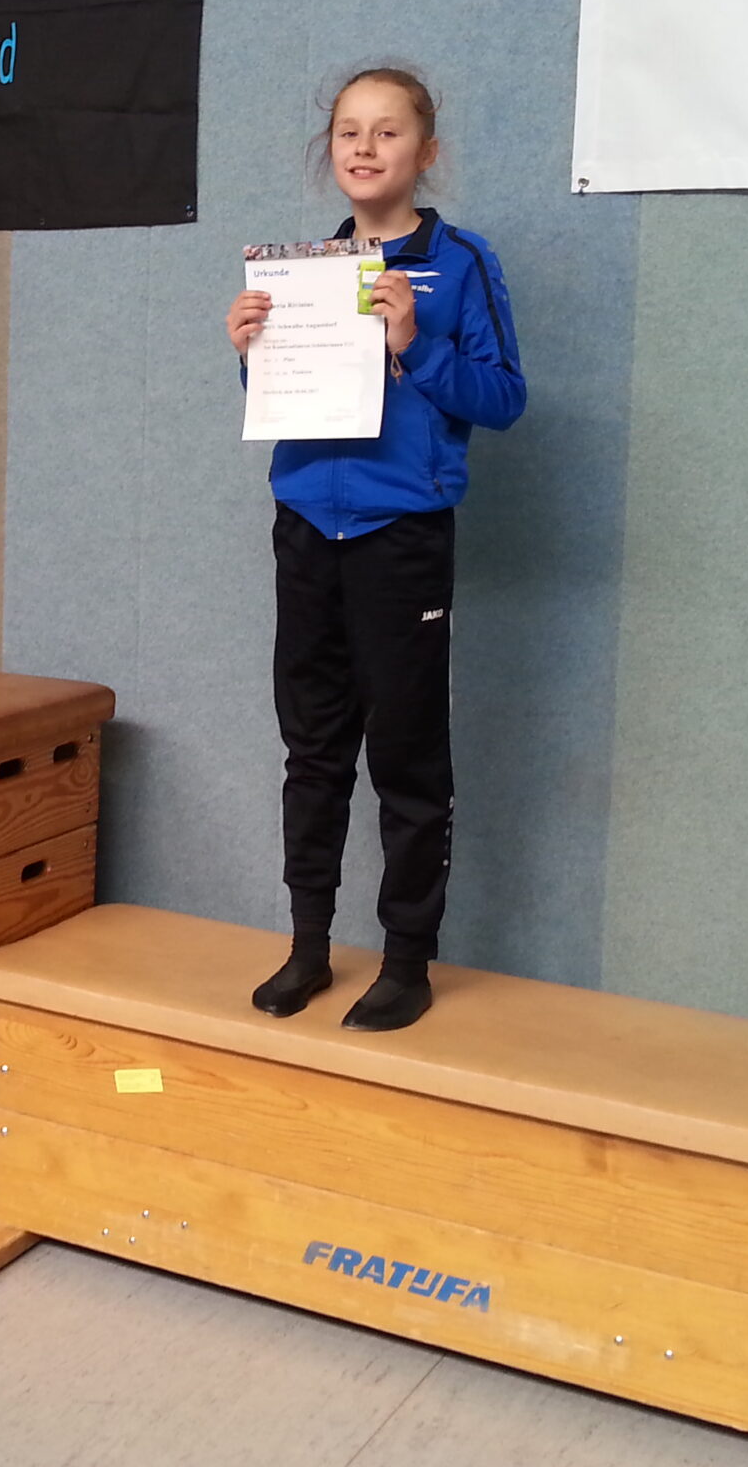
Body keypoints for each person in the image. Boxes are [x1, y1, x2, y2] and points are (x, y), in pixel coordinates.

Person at [222, 67, 525, 1032]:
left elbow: (504, 400)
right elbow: (288, 406)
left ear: (425, 153)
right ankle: (308, 946)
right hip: (309, 530)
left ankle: (405, 962)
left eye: (387, 132)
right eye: (349, 130)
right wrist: (252, 355)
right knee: (312, 749)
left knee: (406, 756)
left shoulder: (460, 264)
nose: (364, 147)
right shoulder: (305, 271)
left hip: (402, 537)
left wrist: (414, 344)